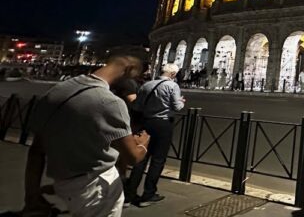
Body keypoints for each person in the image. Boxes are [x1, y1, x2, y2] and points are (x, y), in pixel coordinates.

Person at [23, 46, 151, 217]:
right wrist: (143, 143)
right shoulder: (110, 102)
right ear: (128, 69)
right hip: (96, 187)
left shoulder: (57, 90)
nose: (134, 83)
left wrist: (31, 196)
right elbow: (132, 157)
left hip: (63, 183)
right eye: (136, 77)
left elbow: (36, 151)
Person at [124, 63, 185, 207]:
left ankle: (128, 196)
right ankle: (148, 194)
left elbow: (137, 106)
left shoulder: (147, 85)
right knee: (158, 159)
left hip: (146, 123)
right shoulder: (172, 86)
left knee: (142, 158)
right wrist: (181, 102)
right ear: (173, 74)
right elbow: (177, 107)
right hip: (163, 124)